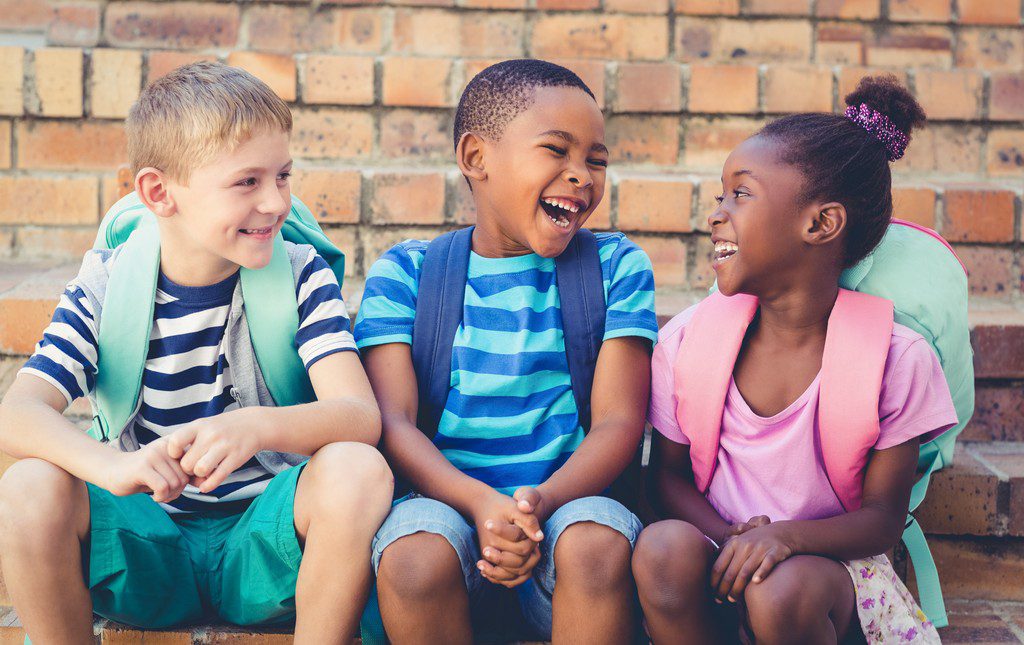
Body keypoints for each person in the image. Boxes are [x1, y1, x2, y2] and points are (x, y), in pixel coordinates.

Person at [0, 62, 392, 644]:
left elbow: (360, 416)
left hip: (268, 548)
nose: (277, 202)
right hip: (146, 545)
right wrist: (111, 465)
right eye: (247, 182)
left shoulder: (301, 273)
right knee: (27, 483)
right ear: (160, 193)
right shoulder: (108, 286)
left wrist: (258, 427)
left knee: (358, 468)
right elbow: (17, 414)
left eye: (283, 177)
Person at [634, 76, 957, 644]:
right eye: (720, 195)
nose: (716, 213)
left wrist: (784, 539)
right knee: (661, 549)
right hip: (720, 548)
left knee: (779, 589)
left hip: (829, 572)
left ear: (820, 223)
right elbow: (666, 478)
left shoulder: (896, 359)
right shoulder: (687, 342)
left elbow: (881, 522)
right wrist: (738, 539)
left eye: (741, 193)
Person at [354, 59, 658, 643]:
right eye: (557, 151)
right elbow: (393, 422)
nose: (582, 176)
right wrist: (479, 505)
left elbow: (620, 423)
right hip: (448, 519)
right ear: (476, 158)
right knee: (413, 555)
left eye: (596, 160)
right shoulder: (407, 274)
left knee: (596, 543)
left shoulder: (617, 267)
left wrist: (537, 505)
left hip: (568, 519)